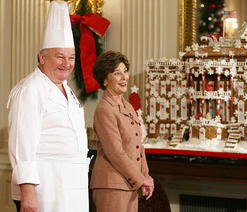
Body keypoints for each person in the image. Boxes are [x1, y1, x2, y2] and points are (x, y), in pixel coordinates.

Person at [7, 2, 89, 212]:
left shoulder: (67, 90)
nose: (67, 63)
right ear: (42, 58)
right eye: (59, 56)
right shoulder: (30, 90)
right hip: (45, 188)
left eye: (71, 57)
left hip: (71, 188)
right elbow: (21, 144)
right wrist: (28, 193)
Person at [91, 51, 154, 212]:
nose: (124, 77)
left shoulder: (128, 106)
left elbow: (138, 146)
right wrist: (141, 179)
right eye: (117, 73)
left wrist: (145, 176)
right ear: (105, 80)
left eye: (125, 71)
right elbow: (116, 153)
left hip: (130, 185)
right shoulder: (104, 110)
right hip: (111, 185)